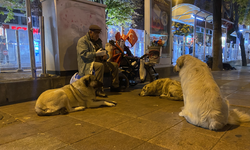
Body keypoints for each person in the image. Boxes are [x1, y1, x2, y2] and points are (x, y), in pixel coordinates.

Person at [76, 25, 120, 97]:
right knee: (100, 66)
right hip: (87, 64)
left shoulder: (98, 41)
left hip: (100, 61)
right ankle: (98, 90)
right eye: (96, 33)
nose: (98, 35)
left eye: (98, 33)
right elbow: (83, 54)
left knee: (114, 65)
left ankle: (115, 86)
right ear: (91, 32)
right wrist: (96, 54)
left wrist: (106, 55)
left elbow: (103, 51)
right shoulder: (83, 41)